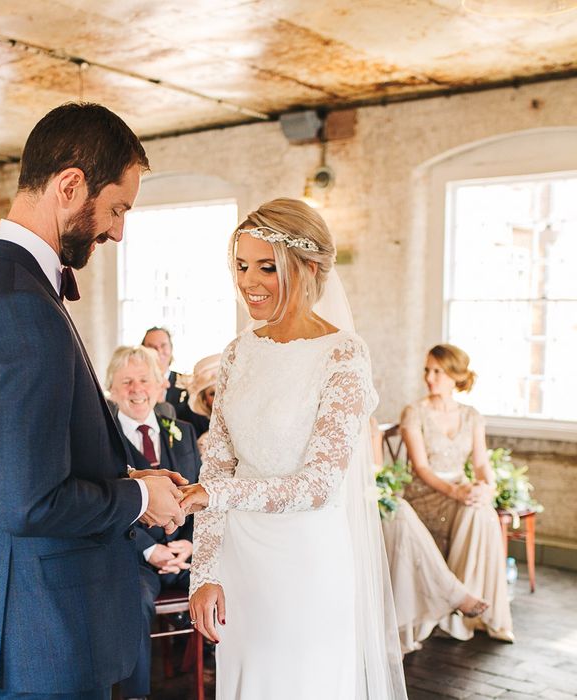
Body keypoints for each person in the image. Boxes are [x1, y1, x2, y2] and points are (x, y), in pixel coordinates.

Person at [0, 102, 188, 700]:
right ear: (70, 185)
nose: (118, 230)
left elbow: (19, 463)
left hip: (7, 618)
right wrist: (136, 497)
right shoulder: (21, 305)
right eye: (117, 208)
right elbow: (30, 502)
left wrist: (126, 473)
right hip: (40, 633)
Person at [180, 199, 406, 699]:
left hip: (306, 565)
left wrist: (214, 496)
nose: (248, 282)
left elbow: (319, 486)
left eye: (266, 267)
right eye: (241, 265)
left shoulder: (344, 354)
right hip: (240, 561)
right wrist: (205, 572)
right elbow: (216, 467)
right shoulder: (238, 351)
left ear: (306, 268)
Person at [401, 344, 514, 642]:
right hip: (426, 493)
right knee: (473, 510)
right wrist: (457, 492)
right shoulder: (414, 413)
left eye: (438, 371)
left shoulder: (472, 416)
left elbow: (480, 463)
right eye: (427, 370)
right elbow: (422, 469)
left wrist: (487, 488)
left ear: (455, 376)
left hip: (461, 491)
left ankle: (479, 612)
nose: (430, 377)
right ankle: (460, 605)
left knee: (481, 511)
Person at [106, 345, 201, 700]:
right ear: (111, 389)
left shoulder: (183, 431)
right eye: (126, 381)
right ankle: (135, 695)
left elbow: (200, 494)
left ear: (160, 385)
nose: (136, 389)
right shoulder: (104, 441)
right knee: (136, 598)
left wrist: (190, 543)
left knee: (236, 579)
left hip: (187, 552)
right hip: (134, 557)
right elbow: (105, 506)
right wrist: (151, 550)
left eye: (144, 380)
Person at [371, 417, 488, 654]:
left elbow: (376, 471)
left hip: (370, 499)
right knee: (401, 514)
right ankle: (452, 592)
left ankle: (408, 618)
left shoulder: (369, 423)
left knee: (400, 514)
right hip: (341, 504)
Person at [177, 353, 220, 449]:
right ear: (204, 400)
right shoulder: (205, 442)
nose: (219, 397)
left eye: (222, 389)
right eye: (212, 394)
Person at [141, 327, 190, 408]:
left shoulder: (186, 383)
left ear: (171, 348)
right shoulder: (136, 384)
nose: (158, 350)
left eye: (163, 345)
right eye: (151, 346)